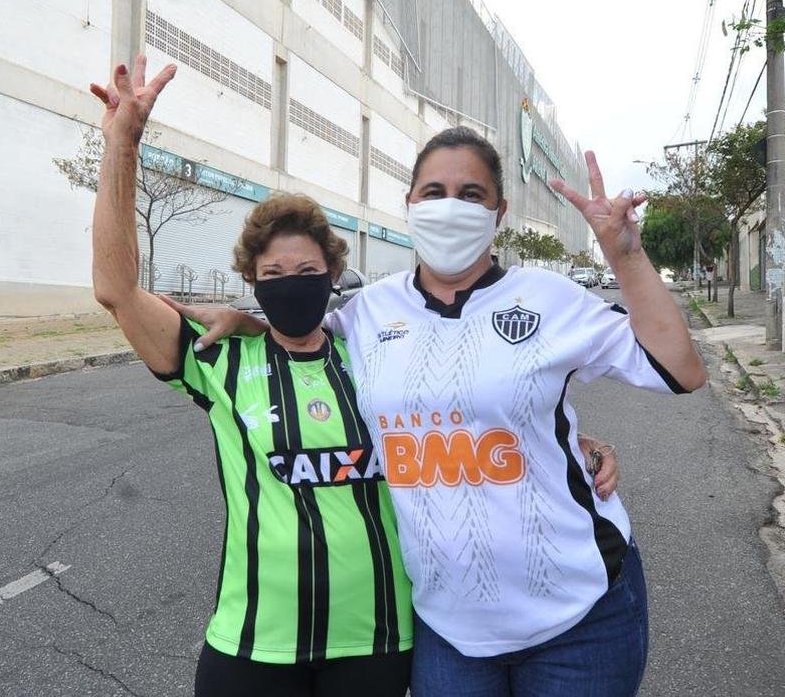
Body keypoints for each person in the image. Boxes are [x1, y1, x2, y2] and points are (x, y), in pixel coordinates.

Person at [87, 56, 621, 697]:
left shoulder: (378, 352)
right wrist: (123, 145)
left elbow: (481, 411)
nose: (291, 286)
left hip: (377, 641)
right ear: (251, 281)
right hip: (253, 642)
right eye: (273, 276)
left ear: (334, 277)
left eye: (308, 272)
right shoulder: (221, 357)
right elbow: (116, 289)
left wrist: (573, 446)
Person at [189, 125, 706, 697]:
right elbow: (299, 338)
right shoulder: (367, 313)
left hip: (579, 618)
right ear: (410, 205)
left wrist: (626, 255)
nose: (450, 207)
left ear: (499, 212)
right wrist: (247, 321)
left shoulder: (550, 298)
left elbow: (679, 369)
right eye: (433, 192)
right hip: (447, 628)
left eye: (471, 194)